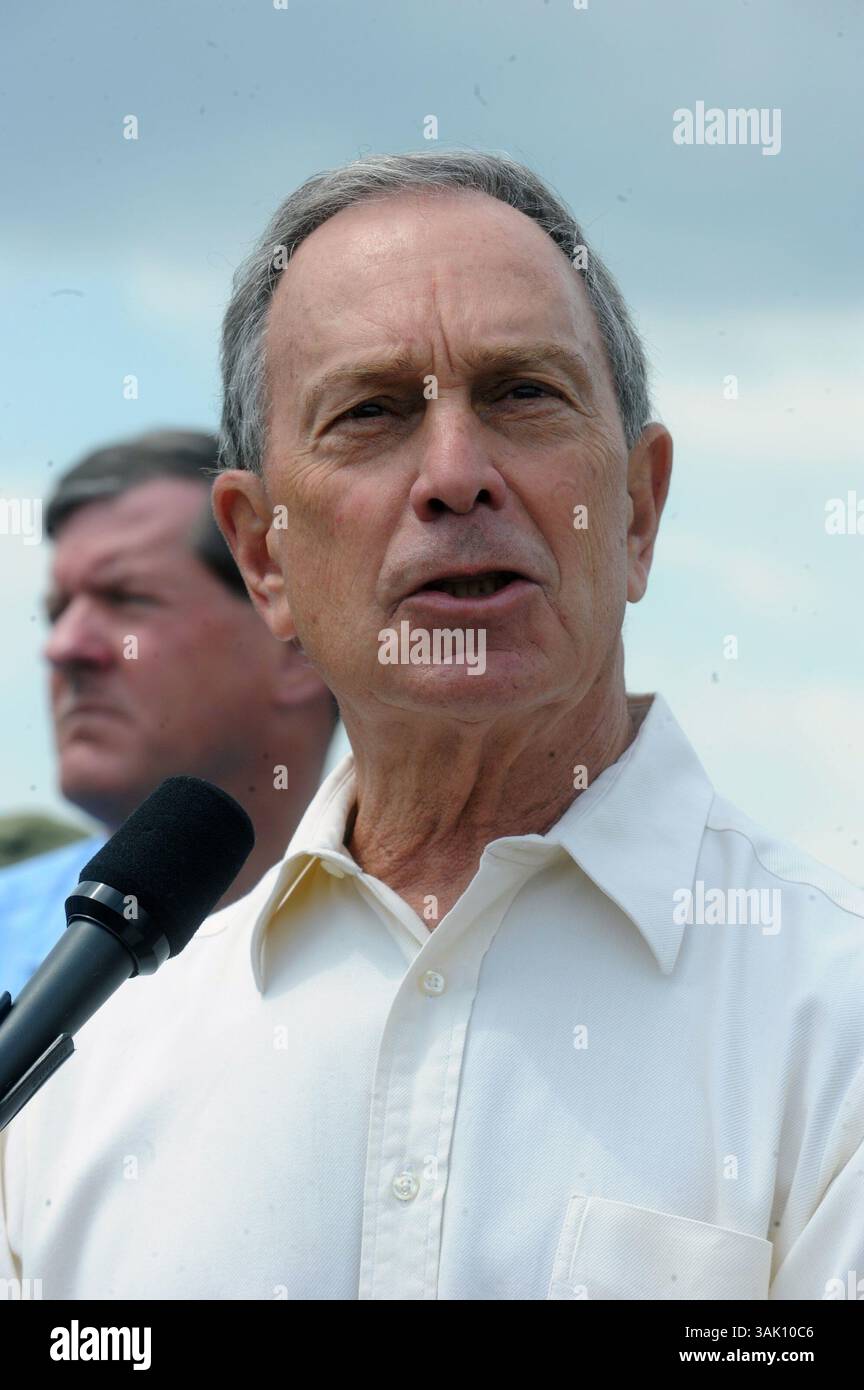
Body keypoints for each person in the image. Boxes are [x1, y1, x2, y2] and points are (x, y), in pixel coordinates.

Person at [2, 152, 862, 1300]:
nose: (456, 476)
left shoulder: (834, 1025)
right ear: (265, 556)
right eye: (369, 413)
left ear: (639, 512)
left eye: (522, 394)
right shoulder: (79, 1085)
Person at [0, 430, 338, 999]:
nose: (63, 648)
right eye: (59, 610)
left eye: (127, 598)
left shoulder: (433, 949)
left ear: (299, 648)